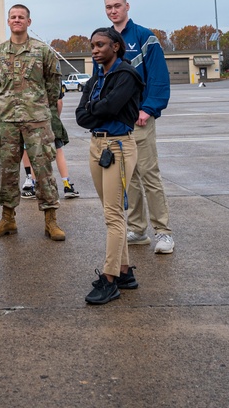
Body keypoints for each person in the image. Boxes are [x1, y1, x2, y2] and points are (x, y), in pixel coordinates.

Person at [0, 4, 65, 242]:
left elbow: (54, 84)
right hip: (9, 121)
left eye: (21, 17)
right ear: (8, 21)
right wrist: (8, 104)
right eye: (13, 17)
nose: (17, 20)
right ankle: (8, 218)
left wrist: (41, 107)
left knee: (43, 169)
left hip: (37, 120)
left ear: (29, 22)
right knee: (7, 170)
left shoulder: (43, 51)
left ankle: (51, 220)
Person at [76, 27, 144, 304]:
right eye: (92, 45)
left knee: (113, 216)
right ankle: (124, 271)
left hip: (118, 146)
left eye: (101, 45)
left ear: (115, 47)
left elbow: (111, 107)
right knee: (110, 211)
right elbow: (81, 116)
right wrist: (97, 109)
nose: (94, 50)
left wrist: (96, 109)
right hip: (97, 146)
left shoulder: (126, 75)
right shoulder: (96, 79)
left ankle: (109, 279)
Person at [104, 0, 174, 254]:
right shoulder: (106, 39)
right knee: (127, 177)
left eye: (117, 5)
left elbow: (158, 77)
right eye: (109, 7)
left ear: (127, 6)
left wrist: (149, 109)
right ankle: (137, 229)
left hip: (140, 119)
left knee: (148, 175)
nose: (113, 11)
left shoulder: (145, 37)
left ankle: (163, 232)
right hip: (117, 123)